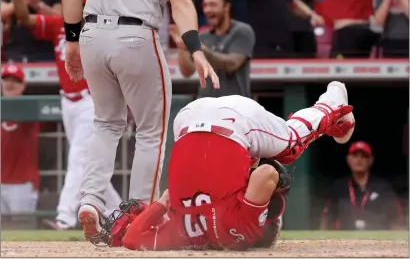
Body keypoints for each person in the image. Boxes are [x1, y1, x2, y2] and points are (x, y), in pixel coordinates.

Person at [61, 0, 219, 242]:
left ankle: (90, 200)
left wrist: (72, 41)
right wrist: (196, 49)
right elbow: (181, 3)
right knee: (151, 131)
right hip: (135, 35)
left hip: (91, 35)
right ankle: (138, 216)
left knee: (106, 123)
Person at [93, 81, 355, 250]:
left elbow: (267, 173)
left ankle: (331, 105)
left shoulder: (245, 230)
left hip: (235, 120)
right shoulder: (182, 233)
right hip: (186, 121)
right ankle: (328, 108)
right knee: (259, 157)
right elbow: (130, 239)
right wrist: (163, 201)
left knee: (289, 150)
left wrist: (272, 183)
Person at [9, 0, 122, 230]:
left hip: (90, 100)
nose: (76, 10)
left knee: (78, 158)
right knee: (88, 163)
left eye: (81, 6)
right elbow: (25, 19)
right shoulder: (59, 26)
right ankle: (118, 212)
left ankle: (64, 217)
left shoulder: (99, 31)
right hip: (67, 101)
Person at [173, 0, 255, 98]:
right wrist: (181, 46)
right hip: (206, 105)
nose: (207, 10)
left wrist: (200, 47)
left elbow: (232, 64)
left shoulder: (242, 31)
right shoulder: (202, 36)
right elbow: (187, 72)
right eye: (205, 5)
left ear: (227, 7)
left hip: (234, 105)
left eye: (213, 5)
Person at [321, 141, 404, 230]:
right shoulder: (339, 187)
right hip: (345, 241)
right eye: (355, 155)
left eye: (364, 156)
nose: (359, 159)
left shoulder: (383, 188)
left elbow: (397, 219)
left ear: (371, 160)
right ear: (348, 159)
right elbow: (327, 219)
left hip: (377, 240)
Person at [1, 64, 40, 215]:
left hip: (22, 184)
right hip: (1, 181)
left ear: (23, 86)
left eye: (15, 81)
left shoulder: (29, 108)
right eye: (6, 80)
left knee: (22, 229)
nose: (10, 84)